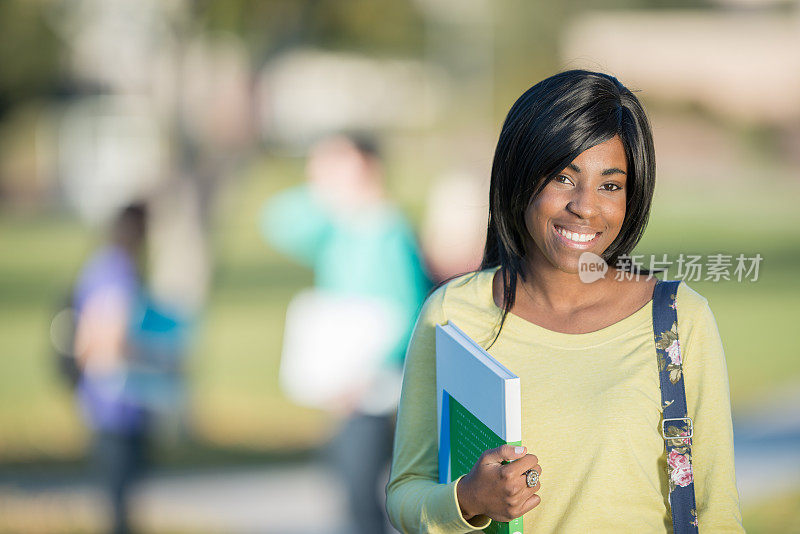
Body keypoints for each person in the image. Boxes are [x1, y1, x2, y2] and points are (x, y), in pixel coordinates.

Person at [386, 70, 744, 533]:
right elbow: (405, 491)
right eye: (562, 177)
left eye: (610, 185)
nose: (586, 206)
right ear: (520, 178)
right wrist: (469, 498)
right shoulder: (452, 314)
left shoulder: (678, 320)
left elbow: (717, 513)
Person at [260, 134, 431, 534]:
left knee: (362, 494)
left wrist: (364, 373)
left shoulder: (389, 231)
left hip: (373, 389)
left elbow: (410, 312)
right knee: (348, 490)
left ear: (369, 167)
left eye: (341, 164)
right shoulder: (338, 229)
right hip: (343, 382)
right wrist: (322, 188)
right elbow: (276, 221)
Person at [73, 203, 149, 534]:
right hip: (119, 397)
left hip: (97, 394)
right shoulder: (119, 271)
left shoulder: (98, 265)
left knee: (112, 494)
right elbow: (112, 336)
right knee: (120, 500)